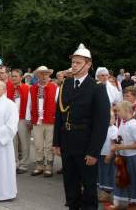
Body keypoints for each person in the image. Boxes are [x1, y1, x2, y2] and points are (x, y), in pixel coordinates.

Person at [53, 44, 110, 210]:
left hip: (86, 141)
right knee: (69, 181)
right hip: (67, 139)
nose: (74, 65)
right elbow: (59, 116)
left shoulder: (97, 88)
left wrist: (93, 151)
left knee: (88, 184)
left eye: (78, 62)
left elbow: (102, 123)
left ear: (88, 65)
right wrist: (57, 141)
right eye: (73, 62)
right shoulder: (66, 84)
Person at [108, 101, 136, 209]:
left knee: (134, 180)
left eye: (119, 110)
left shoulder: (135, 125)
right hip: (123, 157)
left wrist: (120, 147)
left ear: (127, 111)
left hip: (133, 158)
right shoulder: (123, 123)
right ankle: (121, 202)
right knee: (123, 179)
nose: (117, 113)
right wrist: (116, 146)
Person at [28, 66, 58, 177]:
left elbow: (58, 105)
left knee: (49, 145)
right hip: (37, 120)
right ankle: (39, 165)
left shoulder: (55, 88)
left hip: (50, 120)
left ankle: (48, 166)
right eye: (41, 74)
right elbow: (29, 105)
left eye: (46, 74)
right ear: (37, 75)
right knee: (38, 144)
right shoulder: (33, 88)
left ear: (49, 75)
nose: (44, 76)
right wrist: (29, 119)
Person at [7, 69, 30, 174]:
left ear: (21, 77)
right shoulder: (8, 88)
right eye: (12, 76)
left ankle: (24, 164)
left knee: (24, 142)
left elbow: (30, 105)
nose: (13, 78)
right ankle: (14, 163)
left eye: (16, 76)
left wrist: (29, 120)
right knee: (13, 143)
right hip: (11, 119)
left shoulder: (27, 88)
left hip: (22, 119)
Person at [97, 114, 118, 203]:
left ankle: (107, 194)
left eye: (111, 118)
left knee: (108, 174)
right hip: (100, 154)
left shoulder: (114, 129)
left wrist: (110, 154)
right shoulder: (101, 127)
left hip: (108, 155)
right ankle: (103, 191)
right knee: (101, 173)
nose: (109, 120)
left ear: (114, 120)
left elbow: (114, 144)